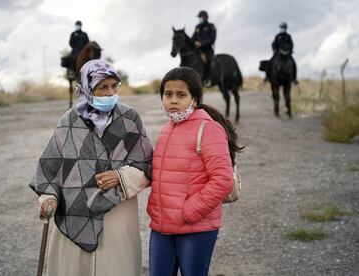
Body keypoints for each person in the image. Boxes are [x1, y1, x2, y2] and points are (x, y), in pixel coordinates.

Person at [30, 59, 153, 276]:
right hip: (73, 211)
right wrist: (48, 198)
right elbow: (49, 167)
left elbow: (146, 164)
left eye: (114, 86)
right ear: (86, 89)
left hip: (118, 211)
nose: (109, 93)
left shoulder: (130, 118)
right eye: (102, 87)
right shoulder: (68, 121)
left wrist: (120, 176)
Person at [147, 67, 243, 276]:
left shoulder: (208, 129)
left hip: (195, 228)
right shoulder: (166, 129)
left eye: (181, 95)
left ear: (195, 99)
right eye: (167, 94)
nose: (173, 100)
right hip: (162, 227)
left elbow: (222, 180)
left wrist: (188, 211)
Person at [192, 10, 217, 87]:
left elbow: (212, 39)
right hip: (197, 50)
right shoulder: (197, 27)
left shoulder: (211, 26)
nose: (199, 19)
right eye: (199, 17)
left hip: (207, 50)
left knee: (209, 61)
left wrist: (201, 44)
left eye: (200, 17)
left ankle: (207, 79)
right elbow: (193, 38)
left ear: (205, 17)